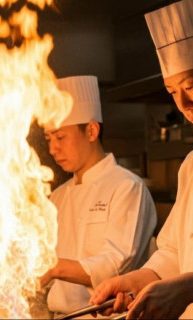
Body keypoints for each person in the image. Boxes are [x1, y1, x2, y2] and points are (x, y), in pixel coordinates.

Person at [89, 0, 193, 319]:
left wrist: (185, 289)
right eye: (171, 91)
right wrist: (132, 282)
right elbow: (174, 253)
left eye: (190, 85)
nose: (183, 104)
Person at [41, 75, 157, 317]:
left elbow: (118, 262)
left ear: (92, 130)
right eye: (49, 139)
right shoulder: (57, 197)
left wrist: (53, 268)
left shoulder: (126, 187)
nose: (53, 149)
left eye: (60, 137)